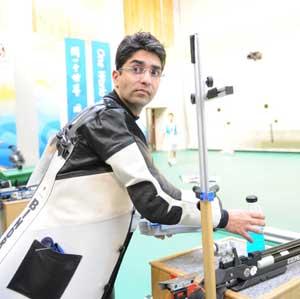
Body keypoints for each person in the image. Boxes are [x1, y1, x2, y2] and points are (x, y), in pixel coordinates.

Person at [0, 32, 265, 299]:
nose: (146, 78)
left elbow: (42, 179)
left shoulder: (97, 115)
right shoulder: (109, 121)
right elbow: (157, 200)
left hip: (59, 257)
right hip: (51, 270)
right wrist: (223, 217)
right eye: (137, 69)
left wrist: (161, 221)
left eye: (154, 72)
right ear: (117, 76)